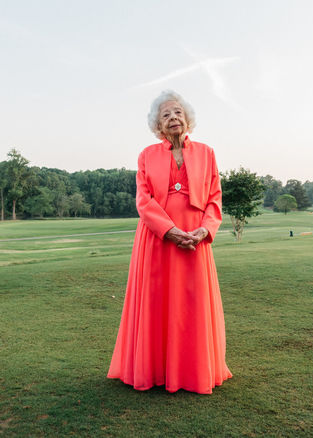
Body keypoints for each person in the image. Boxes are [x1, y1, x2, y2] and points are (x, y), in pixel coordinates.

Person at [107, 90, 232, 394]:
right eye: (166, 115)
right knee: (157, 303)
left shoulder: (207, 152)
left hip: (196, 240)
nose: (173, 118)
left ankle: (192, 373)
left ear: (187, 119)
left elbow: (214, 198)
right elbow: (144, 201)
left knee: (191, 304)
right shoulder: (146, 156)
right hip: (157, 240)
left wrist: (204, 231)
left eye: (177, 112)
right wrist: (170, 231)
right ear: (158, 126)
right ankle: (154, 371)